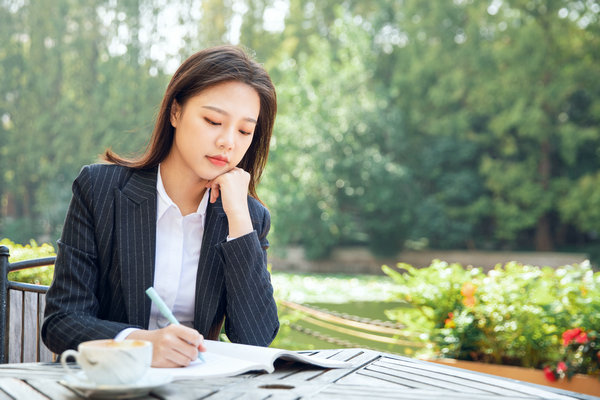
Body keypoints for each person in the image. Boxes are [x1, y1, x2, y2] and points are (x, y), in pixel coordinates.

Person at [42, 45, 279, 368]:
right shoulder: (100, 190)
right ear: (175, 112)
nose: (228, 141)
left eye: (244, 130)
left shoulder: (248, 217)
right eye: (213, 121)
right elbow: (61, 321)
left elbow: (256, 338)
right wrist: (139, 344)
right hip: (111, 386)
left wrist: (238, 216)